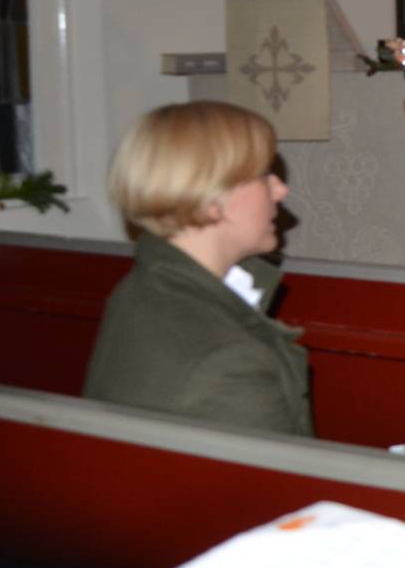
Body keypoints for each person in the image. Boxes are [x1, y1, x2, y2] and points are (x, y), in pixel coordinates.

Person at [84, 101, 312, 436]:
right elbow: (290, 485)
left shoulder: (146, 284)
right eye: (264, 175)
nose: (280, 189)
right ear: (211, 200)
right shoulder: (230, 363)